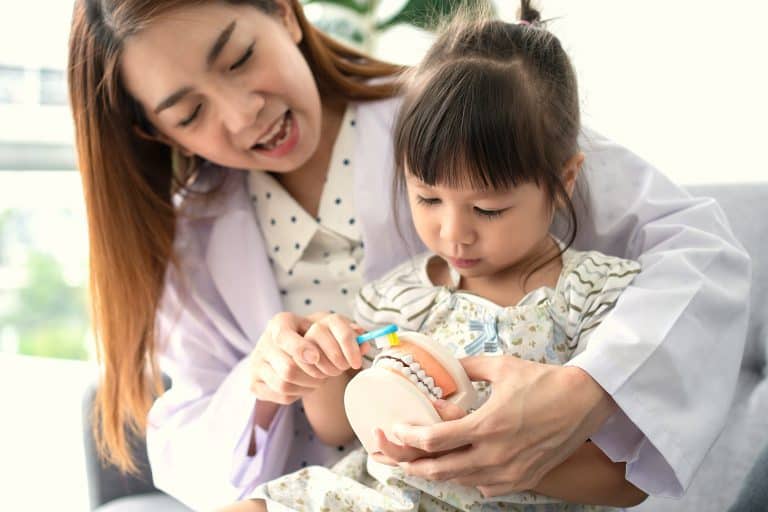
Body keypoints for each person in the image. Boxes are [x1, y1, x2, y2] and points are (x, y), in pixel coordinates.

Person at [67, 0, 750, 510]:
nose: (243, 114)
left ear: (282, 12)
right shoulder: (191, 243)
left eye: (240, 57)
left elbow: (699, 252)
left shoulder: (454, 117)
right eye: (189, 114)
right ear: (152, 130)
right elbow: (184, 443)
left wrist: (586, 391)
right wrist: (267, 384)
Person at [232, 5, 651, 509]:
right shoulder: (402, 296)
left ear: (563, 181)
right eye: (428, 199)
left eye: (487, 208)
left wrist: (497, 454)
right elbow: (336, 426)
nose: (454, 235)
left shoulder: (594, 297)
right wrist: (318, 357)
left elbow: (627, 480)